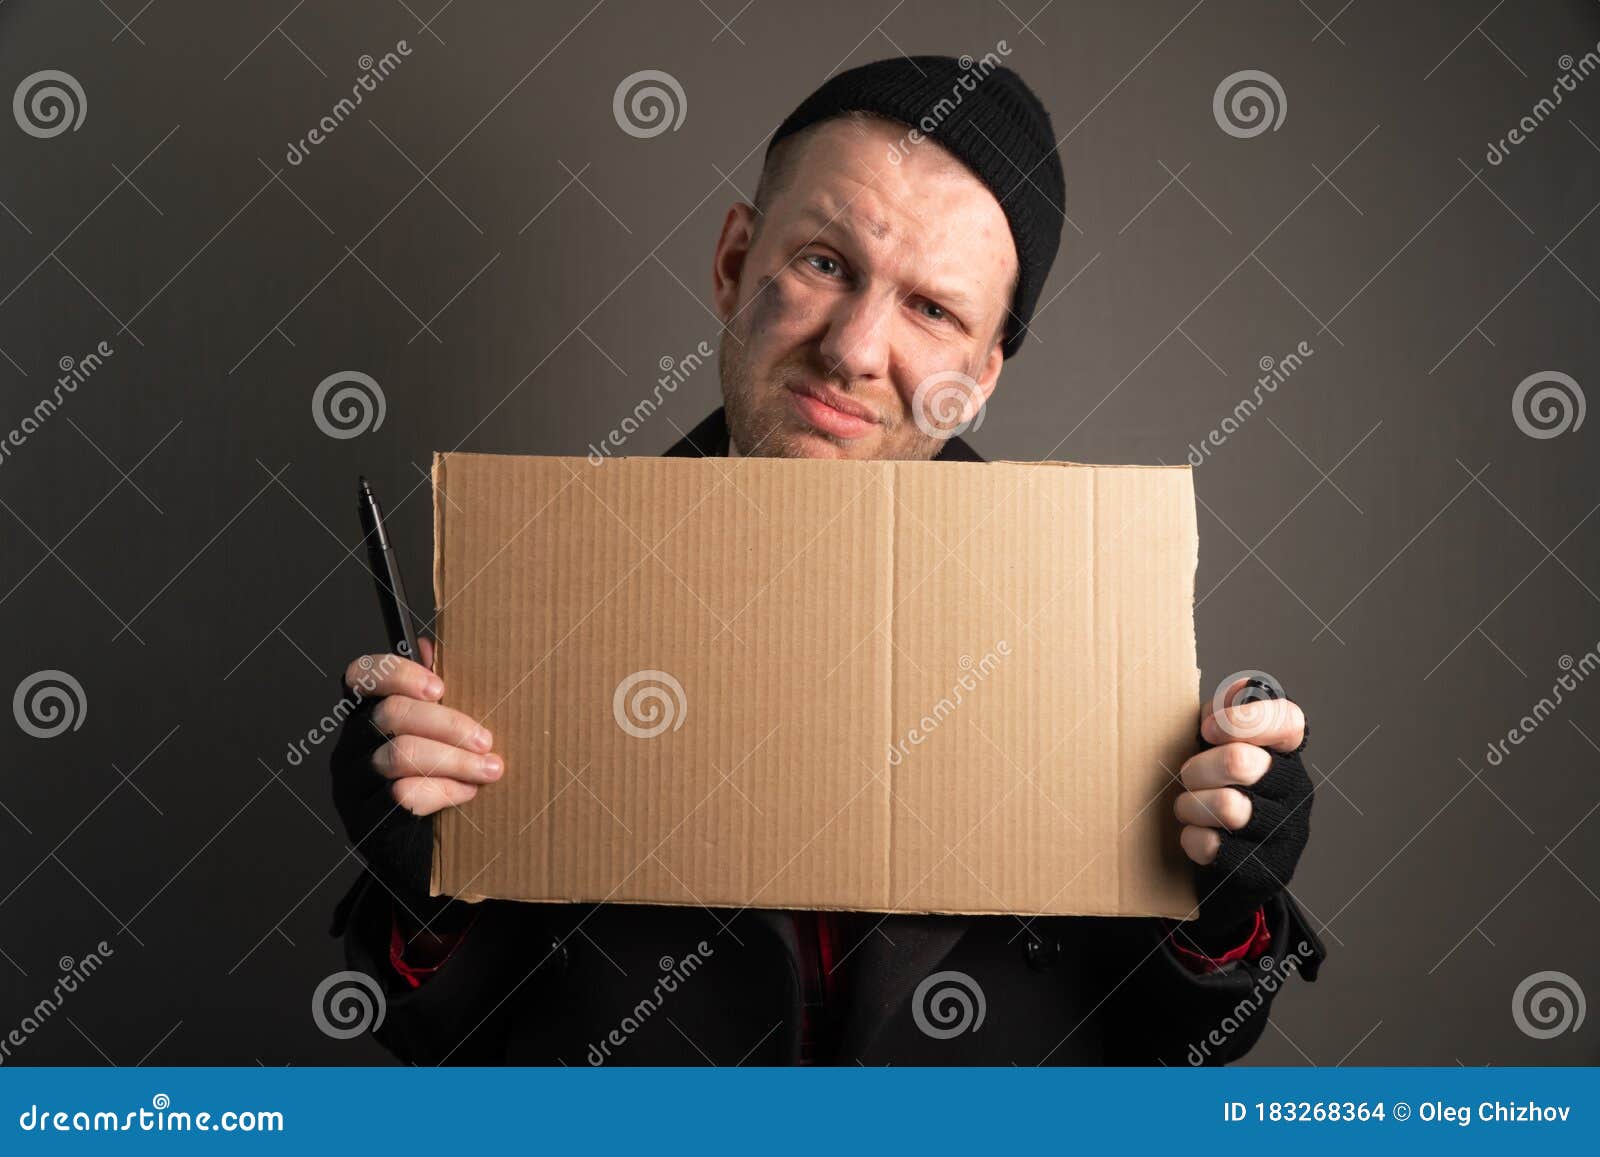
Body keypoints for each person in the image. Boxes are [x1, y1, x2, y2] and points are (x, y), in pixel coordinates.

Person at [329, 55, 1324, 1065]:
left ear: (978, 377)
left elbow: (1190, 1035)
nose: (853, 347)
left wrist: (1221, 902)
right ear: (731, 260)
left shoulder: (1084, 622)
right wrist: (425, 883)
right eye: (824, 262)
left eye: (931, 309)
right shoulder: (543, 601)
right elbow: (441, 1042)